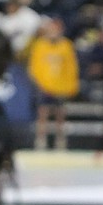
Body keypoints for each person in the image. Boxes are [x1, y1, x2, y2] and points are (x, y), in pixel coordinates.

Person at [27, 17, 79, 151]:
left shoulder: (66, 45)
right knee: (42, 113)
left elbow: (71, 67)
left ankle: (60, 140)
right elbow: (34, 67)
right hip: (44, 86)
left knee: (60, 114)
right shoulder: (40, 45)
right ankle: (40, 140)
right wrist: (40, 84)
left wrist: (71, 85)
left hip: (61, 86)